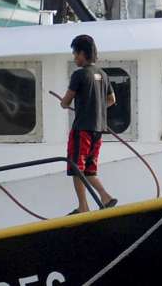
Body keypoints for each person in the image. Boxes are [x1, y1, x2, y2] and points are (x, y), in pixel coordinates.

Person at [59, 34, 118, 214]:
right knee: (89, 169)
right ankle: (105, 197)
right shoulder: (103, 74)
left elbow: (66, 102)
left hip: (82, 130)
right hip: (98, 130)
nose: (74, 57)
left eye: (75, 54)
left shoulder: (79, 75)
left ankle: (83, 206)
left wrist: (65, 103)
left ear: (83, 53)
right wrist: (95, 108)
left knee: (76, 167)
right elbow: (111, 100)